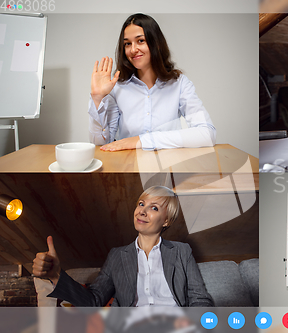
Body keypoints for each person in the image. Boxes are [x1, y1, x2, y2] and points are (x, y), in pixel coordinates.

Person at [32, 186, 214, 307]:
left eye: (154, 208)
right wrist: (56, 276)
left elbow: (200, 298)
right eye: (141, 204)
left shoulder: (182, 251)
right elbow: (94, 301)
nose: (142, 211)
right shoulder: (117, 255)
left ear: (166, 220)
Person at [89, 13, 216, 152]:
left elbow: (207, 134)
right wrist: (97, 99)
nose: (133, 49)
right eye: (127, 44)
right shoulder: (117, 87)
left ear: (156, 43)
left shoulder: (179, 84)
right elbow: (102, 144)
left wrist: (141, 141)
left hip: (169, 168)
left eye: (140, 41)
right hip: (130, 168)